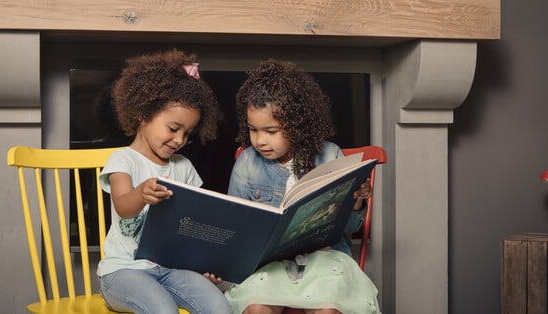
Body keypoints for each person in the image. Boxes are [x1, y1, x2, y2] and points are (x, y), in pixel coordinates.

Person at [224, 60, 381, 314]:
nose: (260, 140)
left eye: (271, 131)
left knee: (328, 309)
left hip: (324, 258)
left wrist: (358, 200)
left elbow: (350, 228)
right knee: (256, 308)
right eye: (253, 130)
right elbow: (235, 226)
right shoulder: (247, 163)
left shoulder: (331, 155)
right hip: (269, 264)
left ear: (297, 126)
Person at [96, 49, 231, 314]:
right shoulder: (123, 159)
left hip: (172, 271)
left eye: (187, 133)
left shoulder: (185, 167)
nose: (179, 140)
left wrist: (208, 265)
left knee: (220, 306)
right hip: (123, 272)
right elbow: (123, 206)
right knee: (163, 310)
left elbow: (196, 225)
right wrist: (141, 193)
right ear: (144, 115)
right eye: (173, 128)